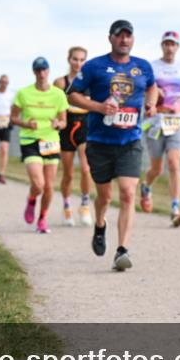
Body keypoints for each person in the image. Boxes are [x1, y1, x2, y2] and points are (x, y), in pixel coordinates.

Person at [68, 20, 157, 271]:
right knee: (105, 196)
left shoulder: (143, 67)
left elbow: (152, 88)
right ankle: (99, 224)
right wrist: (98, 107)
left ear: (133, 39)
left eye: (128, 36)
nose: (124, 40)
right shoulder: (95, 66)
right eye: (120, 36)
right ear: (111, 38)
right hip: (99, 142)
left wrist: (150, 104)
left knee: (128, 193)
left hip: (130, 142)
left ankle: (122, 250)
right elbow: (72, 94)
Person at [140, 30, 180, 227]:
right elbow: (145, 88)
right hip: (157, 120)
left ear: (177, 47)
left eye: (173, 44)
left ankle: (175, 208)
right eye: (166, 44)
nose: (169, 47)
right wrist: (154, 93)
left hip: (176, 120)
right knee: (157, 169)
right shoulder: (152, 66)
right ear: (162, 46)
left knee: (174, 163)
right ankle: (146, 186)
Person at [11, 57, 68, 234]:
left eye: (44, 70)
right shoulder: (23, 93)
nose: (41, 73)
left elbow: (64, 121)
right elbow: (13, 118)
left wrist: (58, 124)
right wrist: (27, 124)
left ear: (49, 71)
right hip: (30, 140)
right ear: (34, 72)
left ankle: (42, 219)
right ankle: (31, 199)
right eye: (38, 70)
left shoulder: (58, 94)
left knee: (49, 186)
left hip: (51, 141)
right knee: (39, 184)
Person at [53, 46, 94, 227]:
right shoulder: (60, 83)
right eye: (75, 59)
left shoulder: (91, 82)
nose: (78, 63)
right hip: (66, 127)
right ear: (69, 60)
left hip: (85, 126)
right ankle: (67, 206)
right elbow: (54, 106)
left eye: (82, 60)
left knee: (86, 169)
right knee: (68, 173)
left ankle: (85, 205)